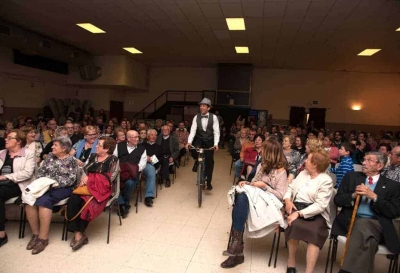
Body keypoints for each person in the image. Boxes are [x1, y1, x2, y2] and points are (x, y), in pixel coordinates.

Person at [221, 139, 288, 268]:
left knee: (241, 201)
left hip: (269, 204)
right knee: (241, 197)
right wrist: (247, 183)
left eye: (264, 150)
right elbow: (254, 182)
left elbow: (281, 195)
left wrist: (265, 186)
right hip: (256, 199)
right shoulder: (262, 165)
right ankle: (236, 247)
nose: (261, 152)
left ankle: (236, 250)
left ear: (271, 153)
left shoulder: (281, 172)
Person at [332, 152, 400, 273]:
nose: (364, 163)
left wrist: (374, 197)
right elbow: (338, 200)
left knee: (363, 224)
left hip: (378, 225)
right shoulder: (351, 177)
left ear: (379, 166)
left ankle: (345, 271)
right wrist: (353, 195)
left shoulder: (392, 186)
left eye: (369, 160)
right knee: (369, 241)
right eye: (364, 160)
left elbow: (393, 211)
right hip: (350, 222)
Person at [25, 136, 78, 255]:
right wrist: (44, 183)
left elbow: (71, 180)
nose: (52, 147)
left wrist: (53, 183)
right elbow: (40, 173)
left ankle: (43, 239)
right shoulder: (49, 157)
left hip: (62, 188)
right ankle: (35, 234)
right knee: (30, 200)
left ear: (64, 148)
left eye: (55, 145)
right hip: (44, 186)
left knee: (44, 201)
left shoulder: (72, 160)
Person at [283, 149, 333, 273]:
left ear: (315, 164)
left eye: (308, 159)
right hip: (296, 207)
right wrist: (288, 199)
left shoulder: (326, 180)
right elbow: (290, 187)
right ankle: (291, 263)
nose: (305, 161)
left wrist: (299, 214)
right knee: (293, 225)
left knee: (315, 232)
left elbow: (320, 205)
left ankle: (309, 271)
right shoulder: (302, 174)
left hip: (316, 214)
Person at [66, 136, 119, 251]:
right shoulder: (93, 156)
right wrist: (85, 176)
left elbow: (111, 178)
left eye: (99, 145)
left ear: (106, 149)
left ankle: (79, 235)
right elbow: (85, 168)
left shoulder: (113, 160)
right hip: (86, 187)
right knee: (73, 201)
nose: (96, 146)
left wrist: (92, 180)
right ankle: (79, 234)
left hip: (101, 190)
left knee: (87, 206)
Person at [0, 130, 35, 247]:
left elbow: (27, 173)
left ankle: (1, 234)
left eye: (10, 138)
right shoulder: (1, 153)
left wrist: (5, 177)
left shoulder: (28, 154)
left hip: (18, 184)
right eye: (6, 137)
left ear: (19, 141)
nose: (6, 139)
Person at [187, 98, 220, 190]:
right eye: (201, 105)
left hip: (210, 140)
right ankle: (197, 160)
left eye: (204, 106)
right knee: (193, 148)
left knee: (210, 163)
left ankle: (208, 182)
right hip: (200, 139)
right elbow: (193, 130)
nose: (201, 107)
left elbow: (216, 132)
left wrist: (216, 144)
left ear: (208, 108)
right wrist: (189, 142)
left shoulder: (214, 117)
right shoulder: (196, 117)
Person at [113, 130, 147, 218]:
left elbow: (142, 164)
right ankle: (123, 205)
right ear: (128, 138)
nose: (137, 139)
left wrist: (131, 169)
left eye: (137, 137)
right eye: (135, 137)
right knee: (112, 183)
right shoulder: (119, 146)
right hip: (119, 172)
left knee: (130, 183)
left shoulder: (142, 148)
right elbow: (114, 159)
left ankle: (123, 203)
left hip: (132, 174)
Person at [143, 129, 163, 207]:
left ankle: (148, 196)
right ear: (148, 136)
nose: (154, 136)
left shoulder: (159, 147)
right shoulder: (142, 145)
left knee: (151, 170)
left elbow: (161, 159)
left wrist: (152, 160)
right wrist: (145, 157)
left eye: (155, 135)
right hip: (140, 164)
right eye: (152, 135)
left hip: (151, 165)